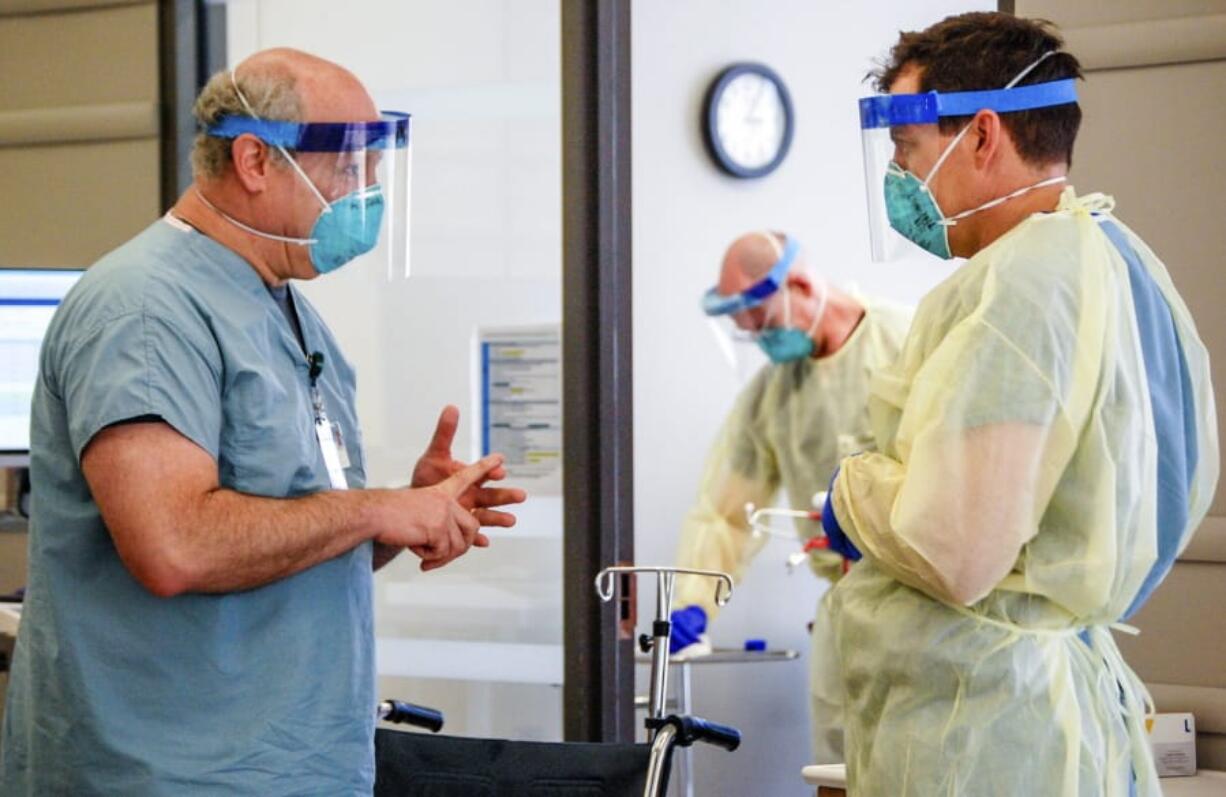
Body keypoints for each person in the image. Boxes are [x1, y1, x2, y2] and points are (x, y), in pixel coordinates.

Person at [0, 49, 525, 794]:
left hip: (296, 765)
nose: (367, 192)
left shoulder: (290, 313)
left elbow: (282, 542)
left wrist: (403, 519)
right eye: (348, 167)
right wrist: (374, 508)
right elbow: (174, 545)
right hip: (167, 770)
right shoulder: (144, 308)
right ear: (254, 159)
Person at [814, 13, 1218, 795]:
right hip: (1049, 717)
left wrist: (849, 494)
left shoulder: (1019, 286)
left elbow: (957, 548)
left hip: (986, 731)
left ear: (982, 135)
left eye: (907, 151)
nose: (899, 178)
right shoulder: (1117, 258)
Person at [669, 231, 911, 755]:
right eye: (748, 330)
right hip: (843, 616)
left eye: (764, 321)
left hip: (925, 613)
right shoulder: (773, 395)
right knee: (836, 767)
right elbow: (724, 514)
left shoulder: (909, 343)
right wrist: (694, 604)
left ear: (800, 284)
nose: (761, 338)